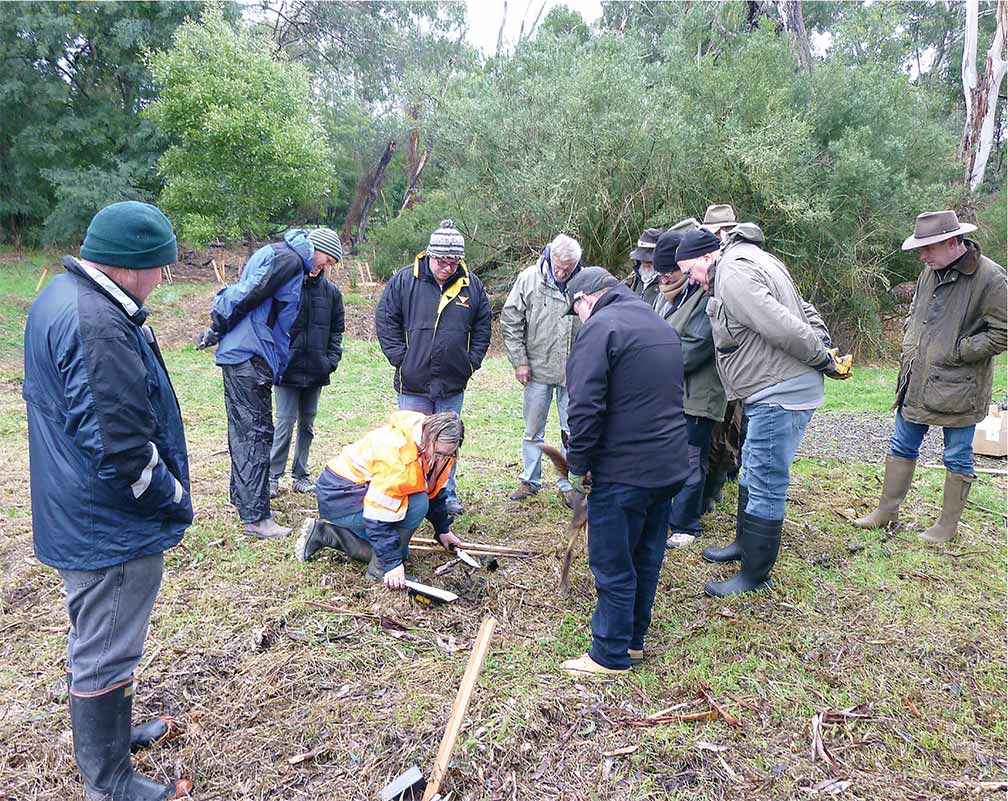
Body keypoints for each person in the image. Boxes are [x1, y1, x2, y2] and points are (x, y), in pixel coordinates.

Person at [23, 202, 194, 799]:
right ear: (131, 265)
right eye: (160, 269)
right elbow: (121, 448)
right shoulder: (97, 325)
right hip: (107, 523)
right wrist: (171, 498)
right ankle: (110, 781)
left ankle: (112, 743)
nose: (162, 281)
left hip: (77, 508)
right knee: (105, 646)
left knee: (97, 633)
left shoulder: (63, 296)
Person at [679, 226, 849, 597]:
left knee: (767, 480)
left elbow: (781, 325)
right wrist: (822, 342)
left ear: (706, 257)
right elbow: (805, 309)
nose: (690, 280)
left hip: (779, 391)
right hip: (767, 389)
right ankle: (744, 545)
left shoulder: (734, 273)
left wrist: (821, 357)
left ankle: (755, 574)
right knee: (752, 470)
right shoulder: (754, 260)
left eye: (689, 271)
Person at [560, 267, 690, 676]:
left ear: (586, 299)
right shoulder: (658, 323)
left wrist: (578, 463)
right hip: (667, 465)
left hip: (624, 469)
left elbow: (584, 407)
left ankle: (609, 654)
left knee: (612, 559)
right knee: (647, 554)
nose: (578, 317)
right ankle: (633, 641)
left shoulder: (600, 329)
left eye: (575, 309)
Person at [854, 210, 1007, 542]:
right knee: (901, 444)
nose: (922, 256)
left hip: (960, 387)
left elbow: (1003, 333)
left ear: (953, 242)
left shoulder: (991, 278)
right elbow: (916, 313)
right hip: (917, 378)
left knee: (956, 455)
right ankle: (886, 511)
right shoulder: (929, 271)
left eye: (928, 248)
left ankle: (946, 528)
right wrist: (911, 341)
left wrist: (958, 350)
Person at [196, 227, 343, 538]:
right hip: (251, 356)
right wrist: (217, 324)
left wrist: (217, 332)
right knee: (257, 434)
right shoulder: (289, 260)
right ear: (315, 248)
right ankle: (256, 518)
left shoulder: (282, 255)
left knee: (246, 431)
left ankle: (244, 499)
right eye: (326, 260)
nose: (324, 267)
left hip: (246, 354)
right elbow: (246, 296)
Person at [375, 219, 492, 516]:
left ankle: (445, 494)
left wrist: (471, 361)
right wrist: (400, 358)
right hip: (413, 380)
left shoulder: (472, 286)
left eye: (453, 262)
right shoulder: (404, 281)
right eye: (442, 261)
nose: (447, 267)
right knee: (410, 441)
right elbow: (386, 318)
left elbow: (483, 326)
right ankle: (410, 491)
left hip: (452, 381)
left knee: (448, 442)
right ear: (429, 255)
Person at [294, 410, 465, 590]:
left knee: (400, 551)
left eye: (449, 455)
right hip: (339, 496)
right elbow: (376, 515)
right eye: (439, 453)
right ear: (429, 437)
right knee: (417, 505)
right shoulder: (397, 454)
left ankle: (324, 533)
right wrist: (391, 564)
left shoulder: (432, 445)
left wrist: (442, 529)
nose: (442, 459)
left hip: (359, 491)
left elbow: (433, 487)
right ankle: (378, 570)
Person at [652, 231, 727, 548]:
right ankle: (673, 517)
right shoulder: (670, 294)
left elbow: (695, 348)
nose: (664, 276)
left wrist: (649, 365)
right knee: (675, 457)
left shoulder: (704, 295)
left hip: (699, 395)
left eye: (670, 270)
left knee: (690, 459)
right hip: (675, 393)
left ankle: (686, 526)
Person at [500, 233, 582, 506]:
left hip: (574, 373)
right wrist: (520, 361)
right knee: (533, 428)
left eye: (566, 269)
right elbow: (511, 320)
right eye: (557, 266)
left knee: (572, 430)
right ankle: (529, 480)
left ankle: (567, 483)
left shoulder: (584, 283)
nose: (560, 272)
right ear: (550, 257)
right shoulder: (529, 278)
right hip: (536, 369)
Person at [269, 254, 345, 498]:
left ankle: (300, 476)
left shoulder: (332, 293)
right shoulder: (286, 287)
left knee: (307, 425)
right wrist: (277, 359)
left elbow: (337, 331)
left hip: (316, 370)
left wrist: (329, 362)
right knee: (284, 423)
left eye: (323, 265)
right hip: (286, 370)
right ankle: (272, 476)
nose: (317, 269)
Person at [625, 227, 665, 307]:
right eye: (642, 259)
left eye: (649, 261)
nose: (645, 264)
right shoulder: (633, 279)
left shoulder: (667, 283)